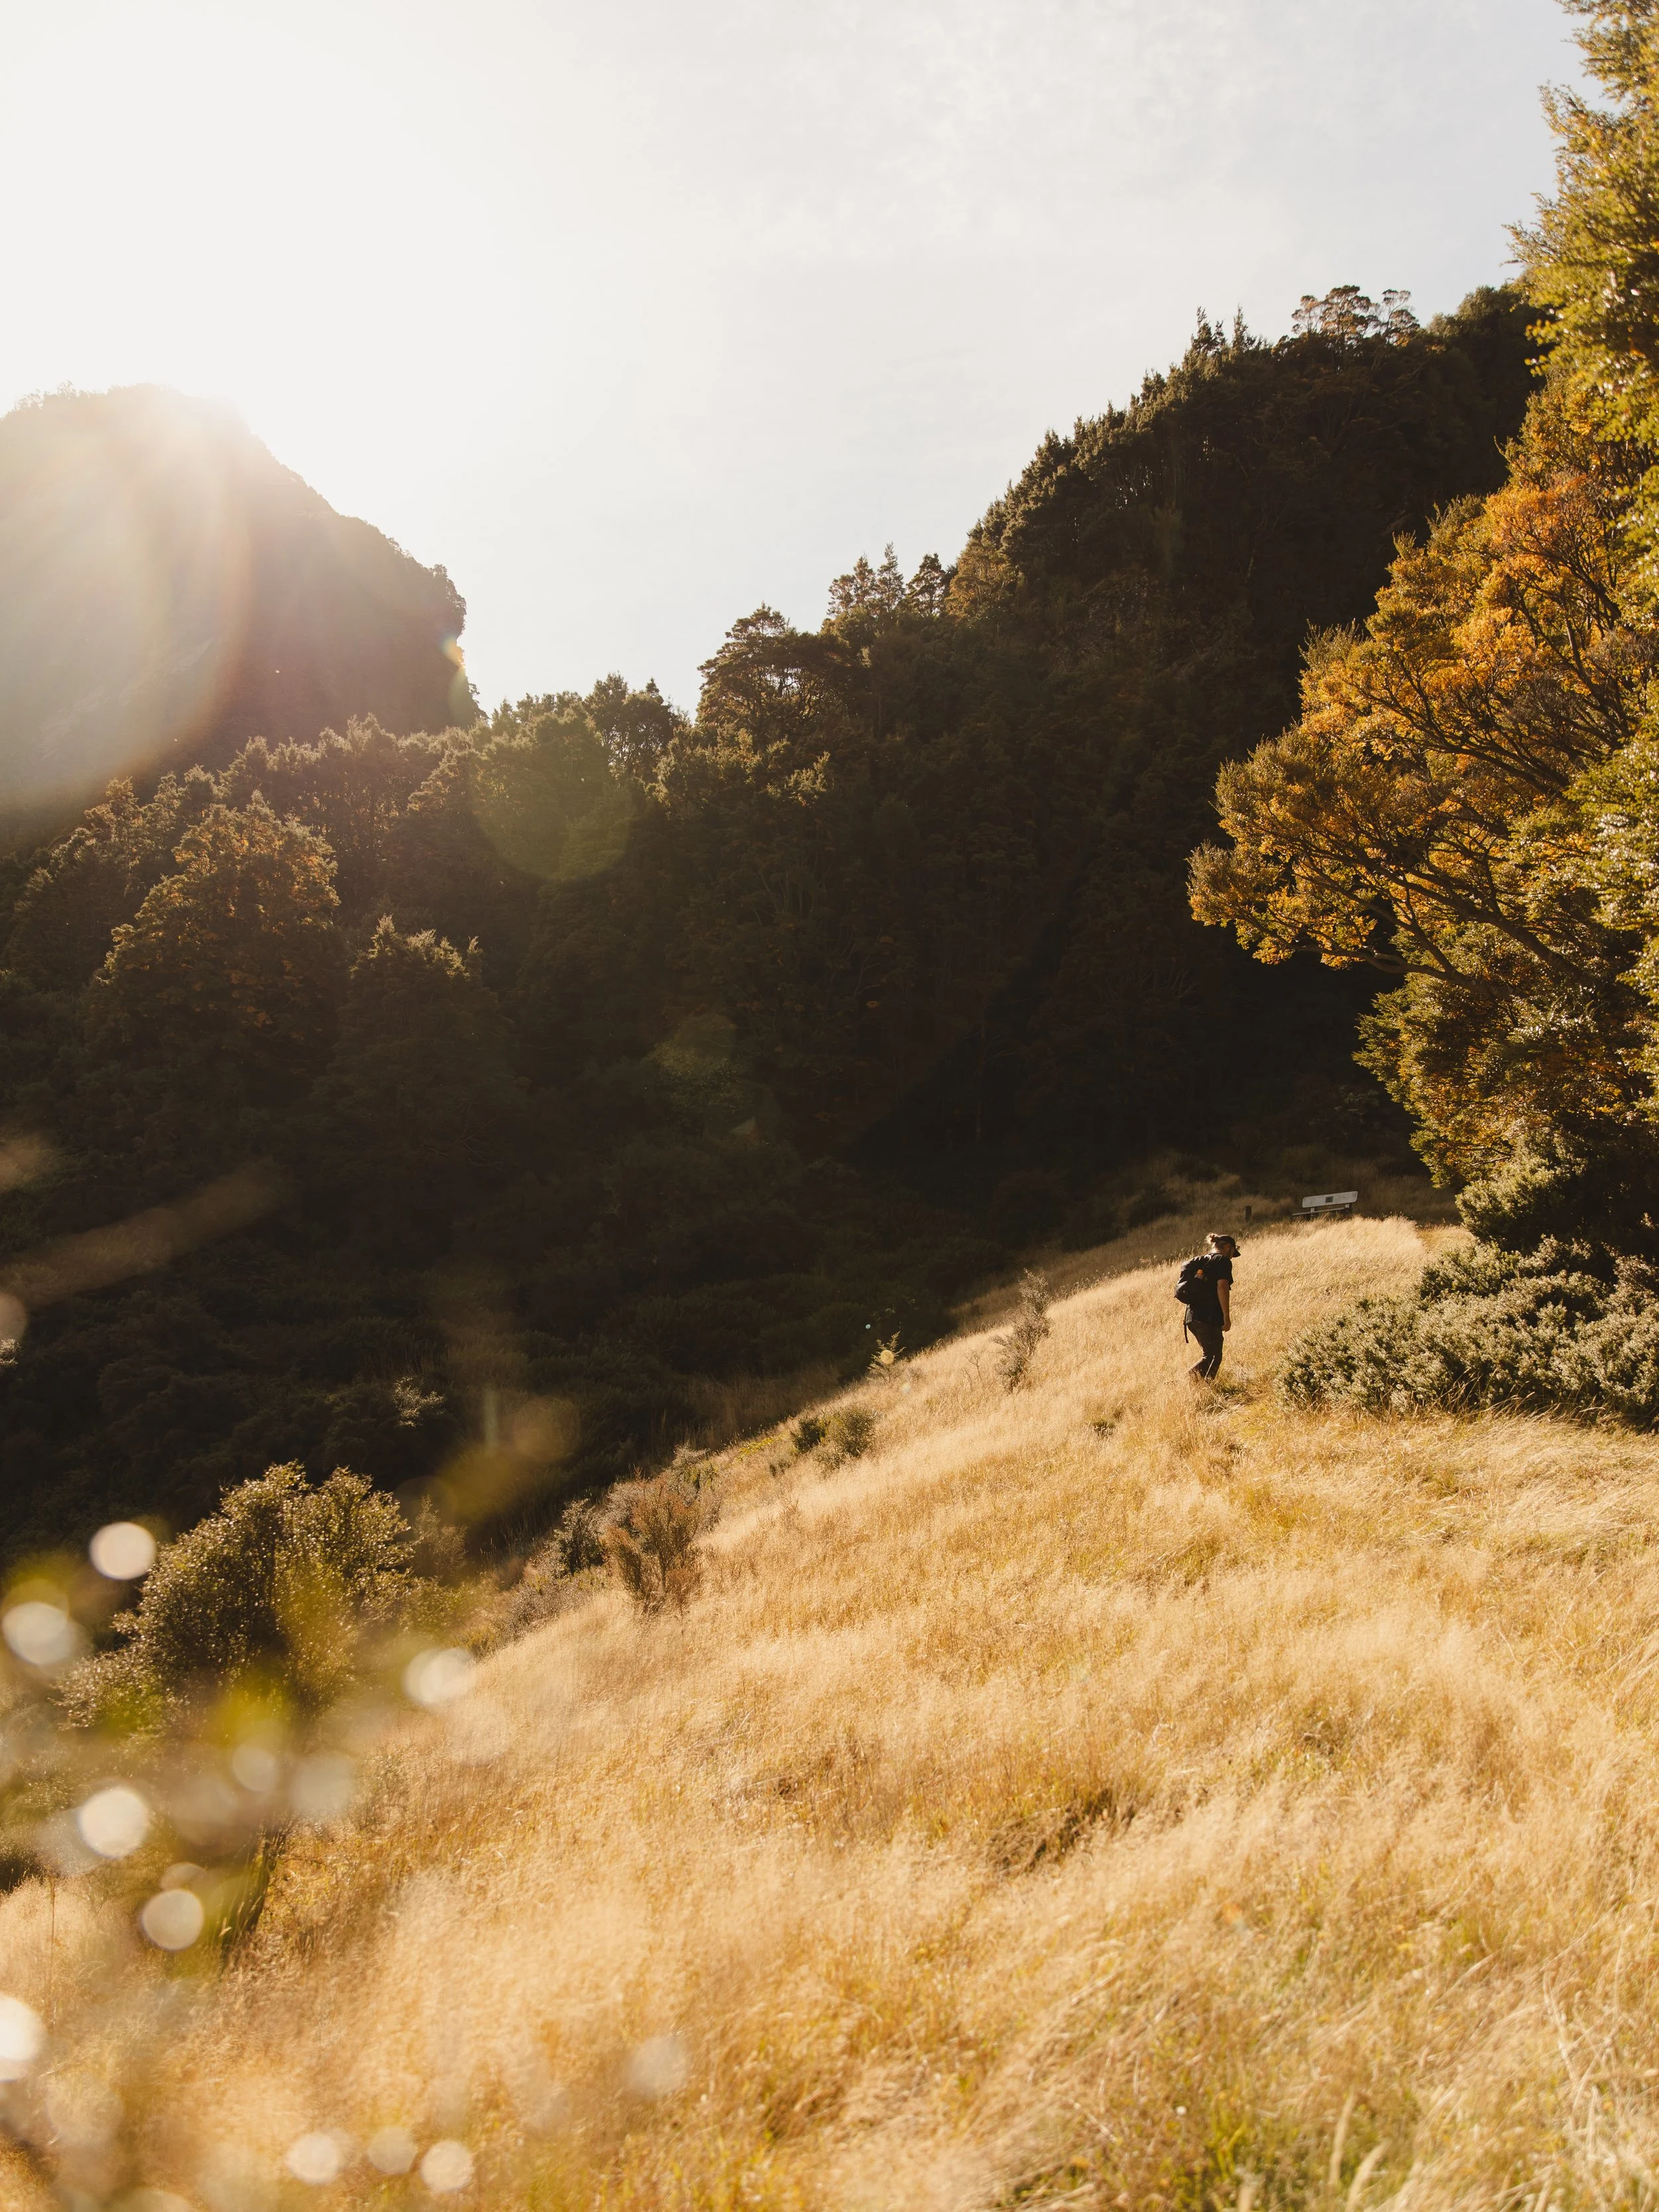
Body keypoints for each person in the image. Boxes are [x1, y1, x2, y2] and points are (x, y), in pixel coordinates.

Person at [1182, 1231, 1238, 1382]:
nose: (1233, 1256)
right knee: (1212, 1357)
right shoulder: (1223, 1260)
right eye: (1233, 1251)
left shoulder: (1204, 1261)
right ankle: (1181, 1384)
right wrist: (1227, 1316)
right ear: (1227, 1247)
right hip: (1208, 1316)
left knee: (1212, 1356)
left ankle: (1203, 1388)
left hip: (1192, 1316)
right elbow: (1222, 1287)